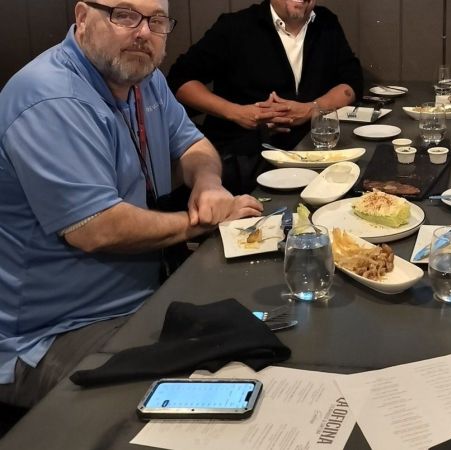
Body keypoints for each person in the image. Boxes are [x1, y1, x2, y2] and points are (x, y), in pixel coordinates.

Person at [0, 0, 262, 408]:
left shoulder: (143, 77)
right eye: (124, 15)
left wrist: (209, 184)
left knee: (262, 341)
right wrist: (200, 222)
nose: (143, 32)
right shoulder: (50, 97)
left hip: (144, 299)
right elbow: (97, 229)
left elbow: (193, 145)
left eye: (156, 21)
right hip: (54, 334)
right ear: (82, 17)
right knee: (196, 405)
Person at [167, 0, 364, 194]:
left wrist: (311, 109)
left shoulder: (326, 22)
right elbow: (180, 81)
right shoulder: (235, 26)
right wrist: (236, 112)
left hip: (312, 157)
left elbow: (352, 81)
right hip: (243, 164)